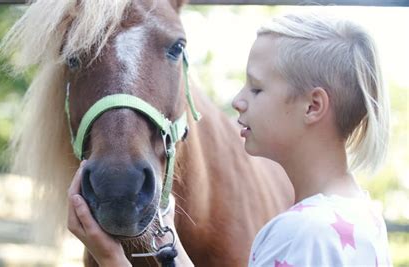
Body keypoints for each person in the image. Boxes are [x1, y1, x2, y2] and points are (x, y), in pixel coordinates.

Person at [67, 12, 392, 266]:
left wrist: (112, 260)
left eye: (256, 88)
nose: (238, 100)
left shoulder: (302, 234)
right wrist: (170, 241)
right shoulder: (360, 215)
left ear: (312, 106)